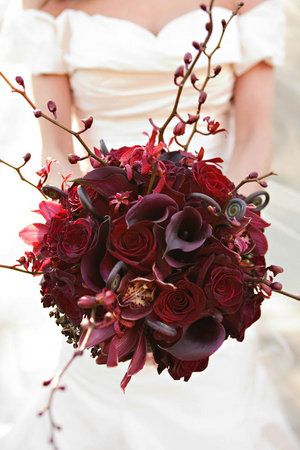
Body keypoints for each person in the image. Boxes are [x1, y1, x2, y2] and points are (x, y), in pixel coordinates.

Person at [0, 0, 298, 449]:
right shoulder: (50, 7)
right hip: (104, 258)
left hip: (211, 240)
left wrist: (216, 242)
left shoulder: (250, 6)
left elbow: (255, 138)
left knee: (216, 413)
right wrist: (96, 242)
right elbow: (57, 150)